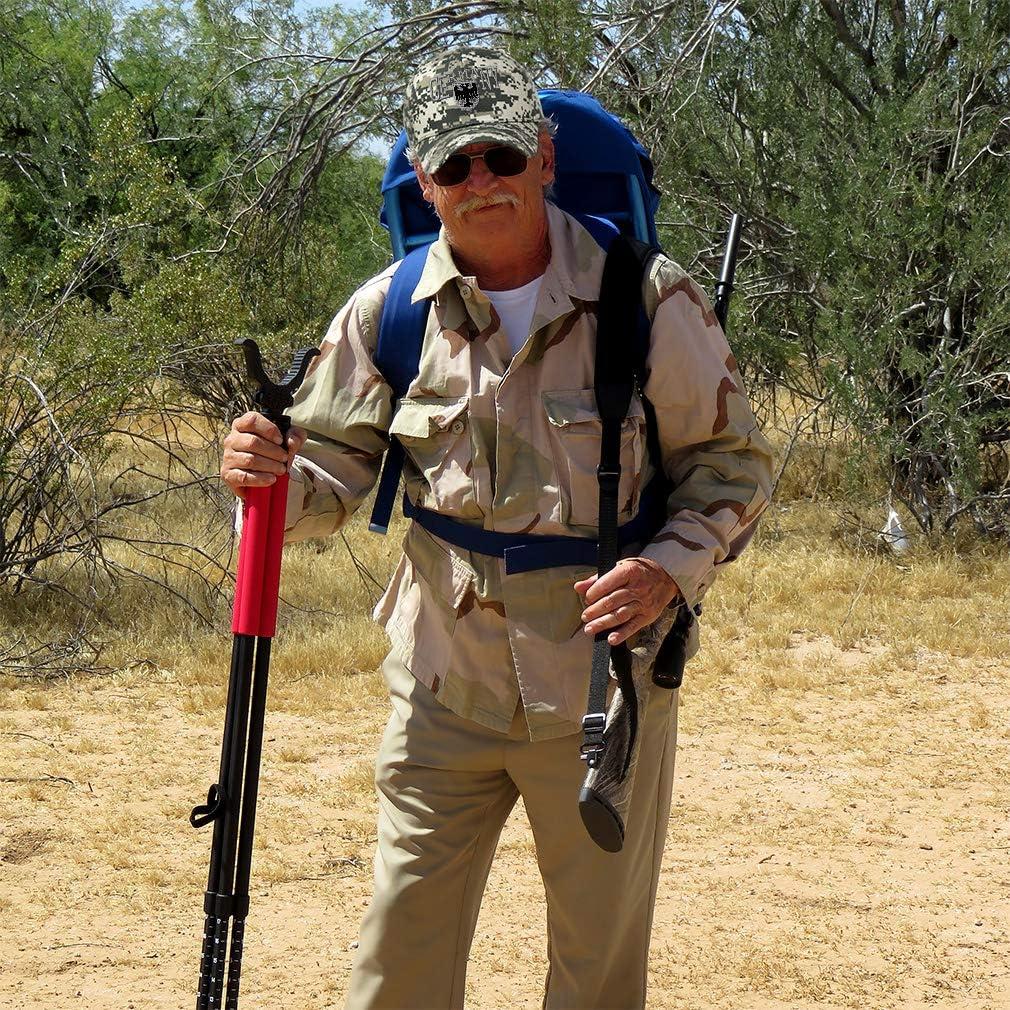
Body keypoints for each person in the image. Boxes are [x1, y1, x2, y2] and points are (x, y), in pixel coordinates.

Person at [220, 46, 773, 1010]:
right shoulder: (388, 312)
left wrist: (668, 571)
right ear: (424, 180)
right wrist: (267, 479)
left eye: (503, 156)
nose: (482, 181)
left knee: (597, 971)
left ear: (544, 159)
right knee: (398, 961)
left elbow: (733, 467)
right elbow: (332, 474)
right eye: (454, 163)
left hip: (601, 687)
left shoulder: (647, 297)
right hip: (444, 683)